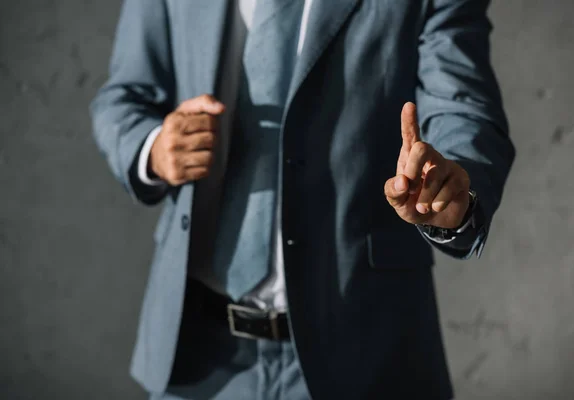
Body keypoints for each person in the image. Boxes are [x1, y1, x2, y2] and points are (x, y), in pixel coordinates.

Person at [90, 0, 515, 399]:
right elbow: (123, 96)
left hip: (366, 353)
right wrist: (154, 149)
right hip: (198, 356)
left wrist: (454, 182)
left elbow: (464, 108)